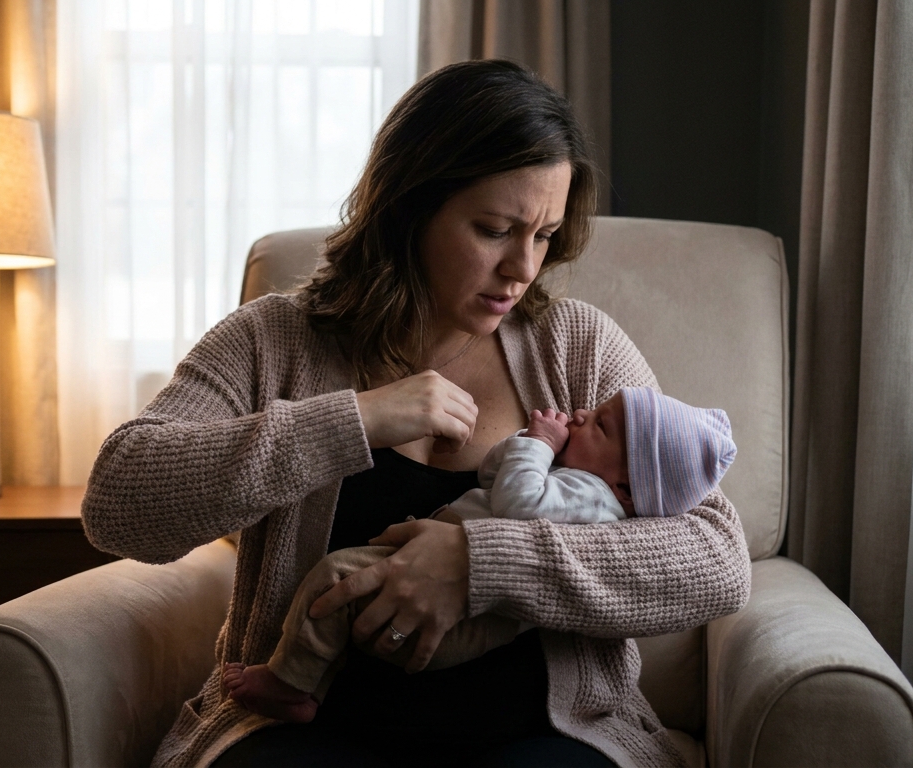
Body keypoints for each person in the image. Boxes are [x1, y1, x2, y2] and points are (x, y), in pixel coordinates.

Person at [82, 59, 752, 768]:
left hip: (544, 740)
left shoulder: (577, 347)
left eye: (545, 236)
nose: (523, 268)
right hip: (308, 733)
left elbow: (717, 560)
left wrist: (478, 562)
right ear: (408, 209)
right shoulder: (273, 340)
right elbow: (120, 505)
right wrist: (353, 421)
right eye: (495, 229)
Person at [220, 388, 738, 724]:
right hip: (380, 709)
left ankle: (288, 683)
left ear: (628, 488)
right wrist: (525, 444)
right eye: (492, 229)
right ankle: (312, 687)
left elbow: (516, 502)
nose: (582, 413)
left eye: (599, 424)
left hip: (479, 631)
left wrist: (478, 559)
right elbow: (496, 481)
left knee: (333, 580)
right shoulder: (579, 479)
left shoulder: (589, 495)